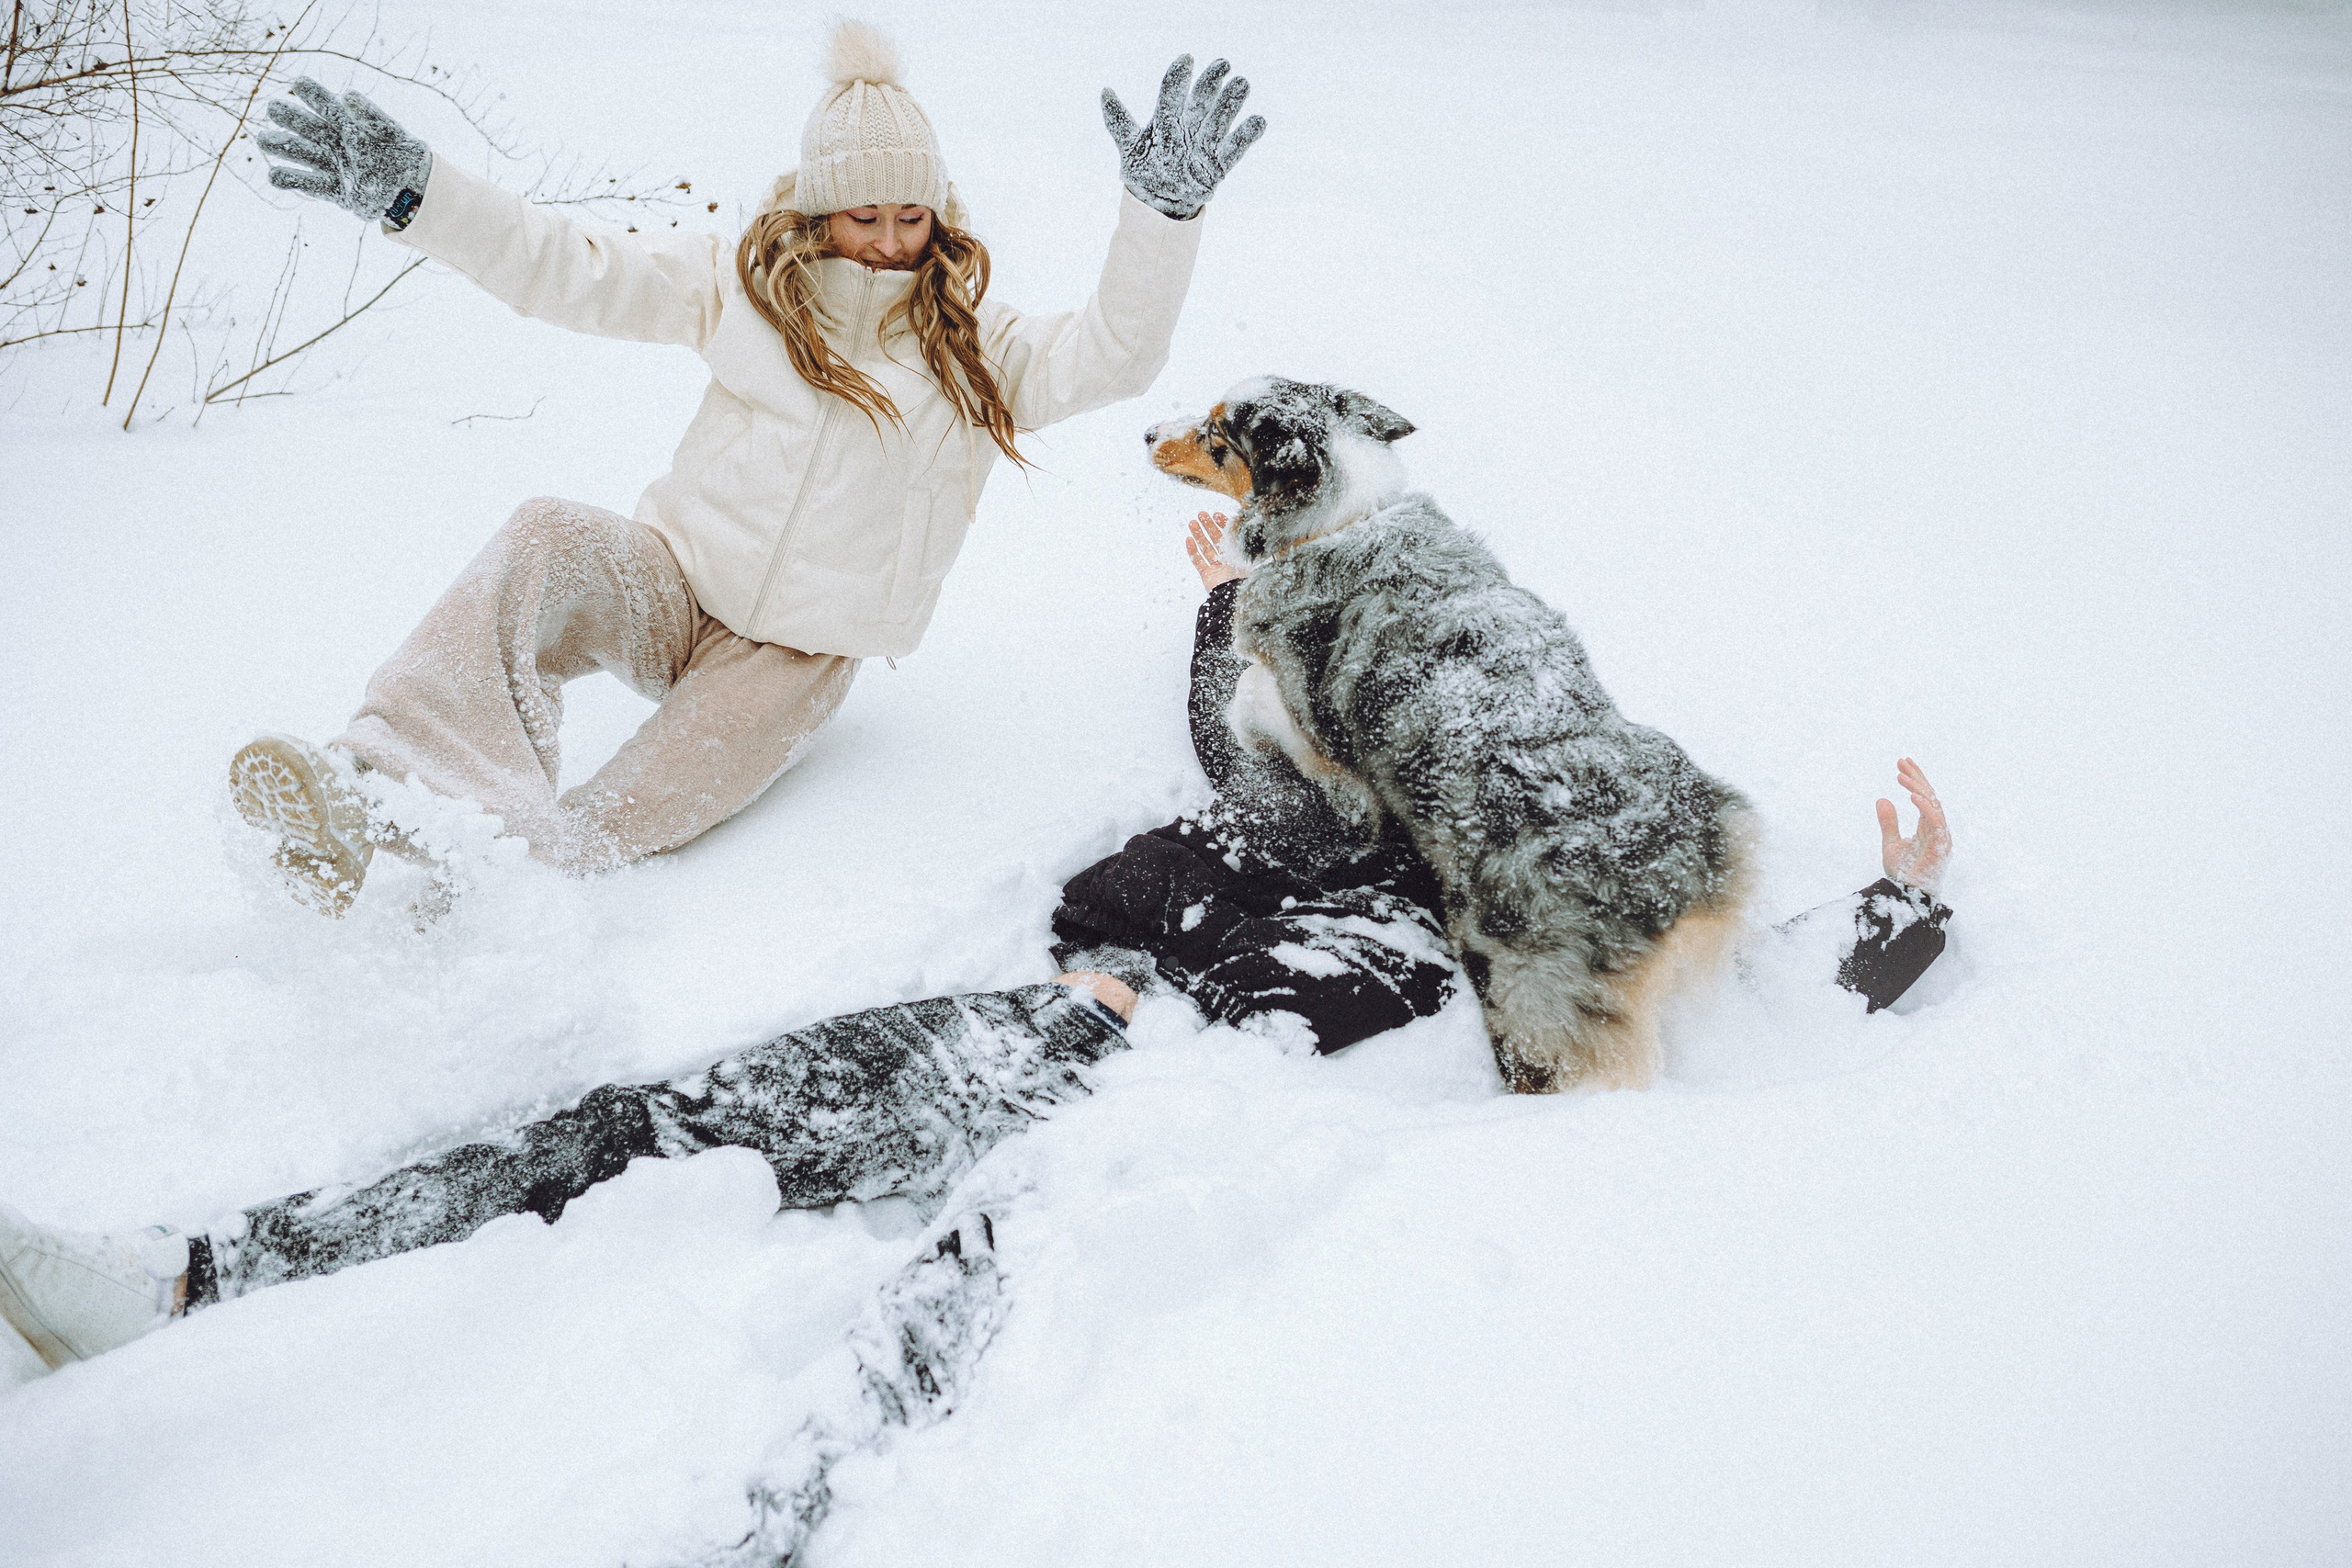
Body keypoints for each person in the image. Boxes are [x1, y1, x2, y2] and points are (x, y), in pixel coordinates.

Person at [1, 518, 1953, 1561]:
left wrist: (1893, 916)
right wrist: (1222, 636)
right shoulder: (1299, 794)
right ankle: (185, 1273)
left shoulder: (1508, 894)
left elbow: (1696, 972)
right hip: (1050, 1034)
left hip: (1184, 1131)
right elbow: (1198, 777)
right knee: (641, 1123)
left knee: (929, 1342)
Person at [230, 22, 1267, 914]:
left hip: (792, 663)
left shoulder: (974, 350)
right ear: (818, 211)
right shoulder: (741, 289)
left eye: (913, 217)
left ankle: (483, 891)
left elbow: (1116, 356)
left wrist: (1160, 217)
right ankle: (375, 791)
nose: (891, 242)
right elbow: (567, 270)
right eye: (866, 216)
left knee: (612, 826)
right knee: (544, 532)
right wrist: (421, 193)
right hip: (674, 589)